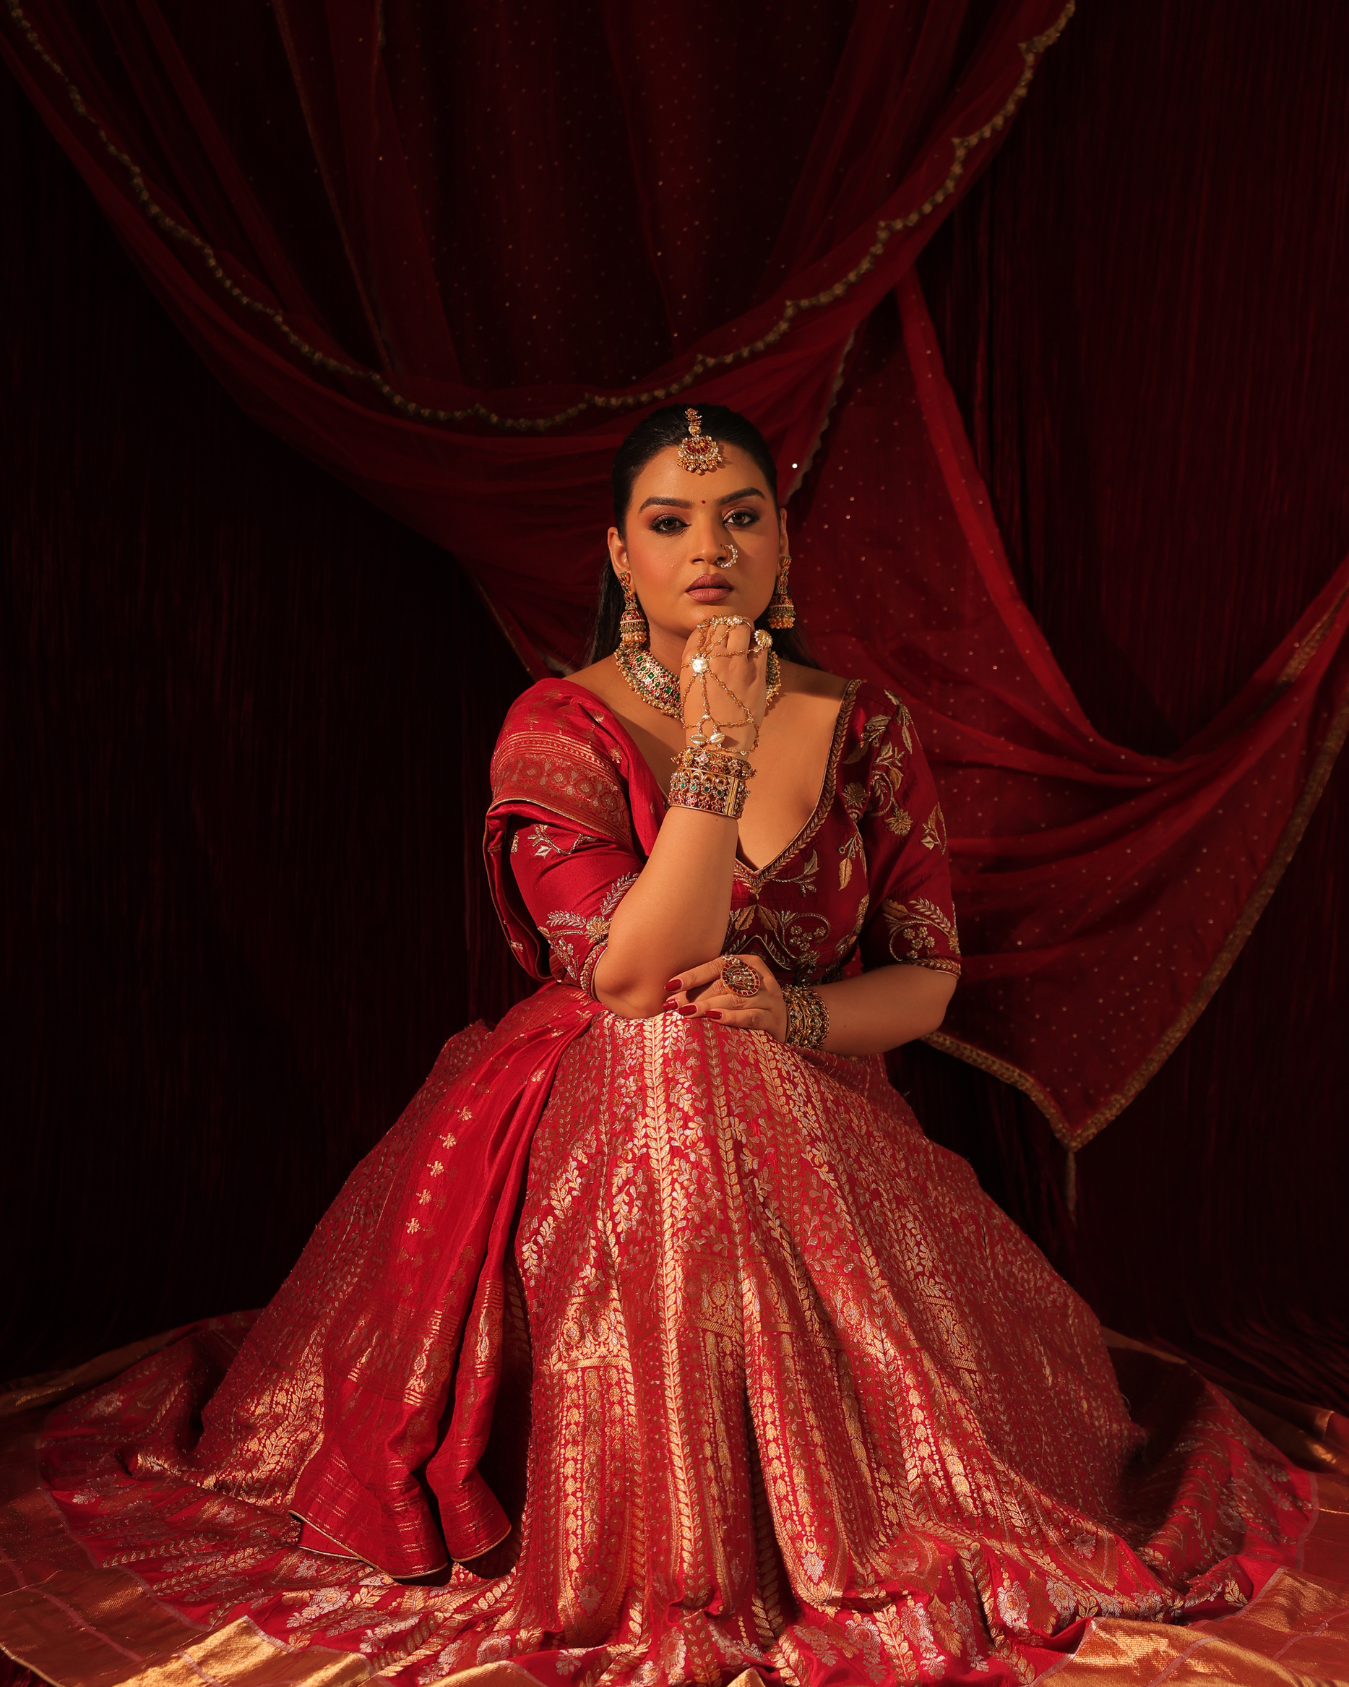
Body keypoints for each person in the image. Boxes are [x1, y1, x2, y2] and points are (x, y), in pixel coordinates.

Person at [0, 407, 1338, 1687]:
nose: (712, 548)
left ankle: (805, 1532)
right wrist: (709, 746)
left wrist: (801, 1015)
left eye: (743, 515)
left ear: (784, 544)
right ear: (619, 555)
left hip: (823, 1126)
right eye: (672, 519)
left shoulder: (862, 726)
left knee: (722, 1053)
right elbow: (633, 972)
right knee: (674, 1050)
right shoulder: (560, 725)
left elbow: (924, 983)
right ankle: (666, 1554)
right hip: (603, 1135)